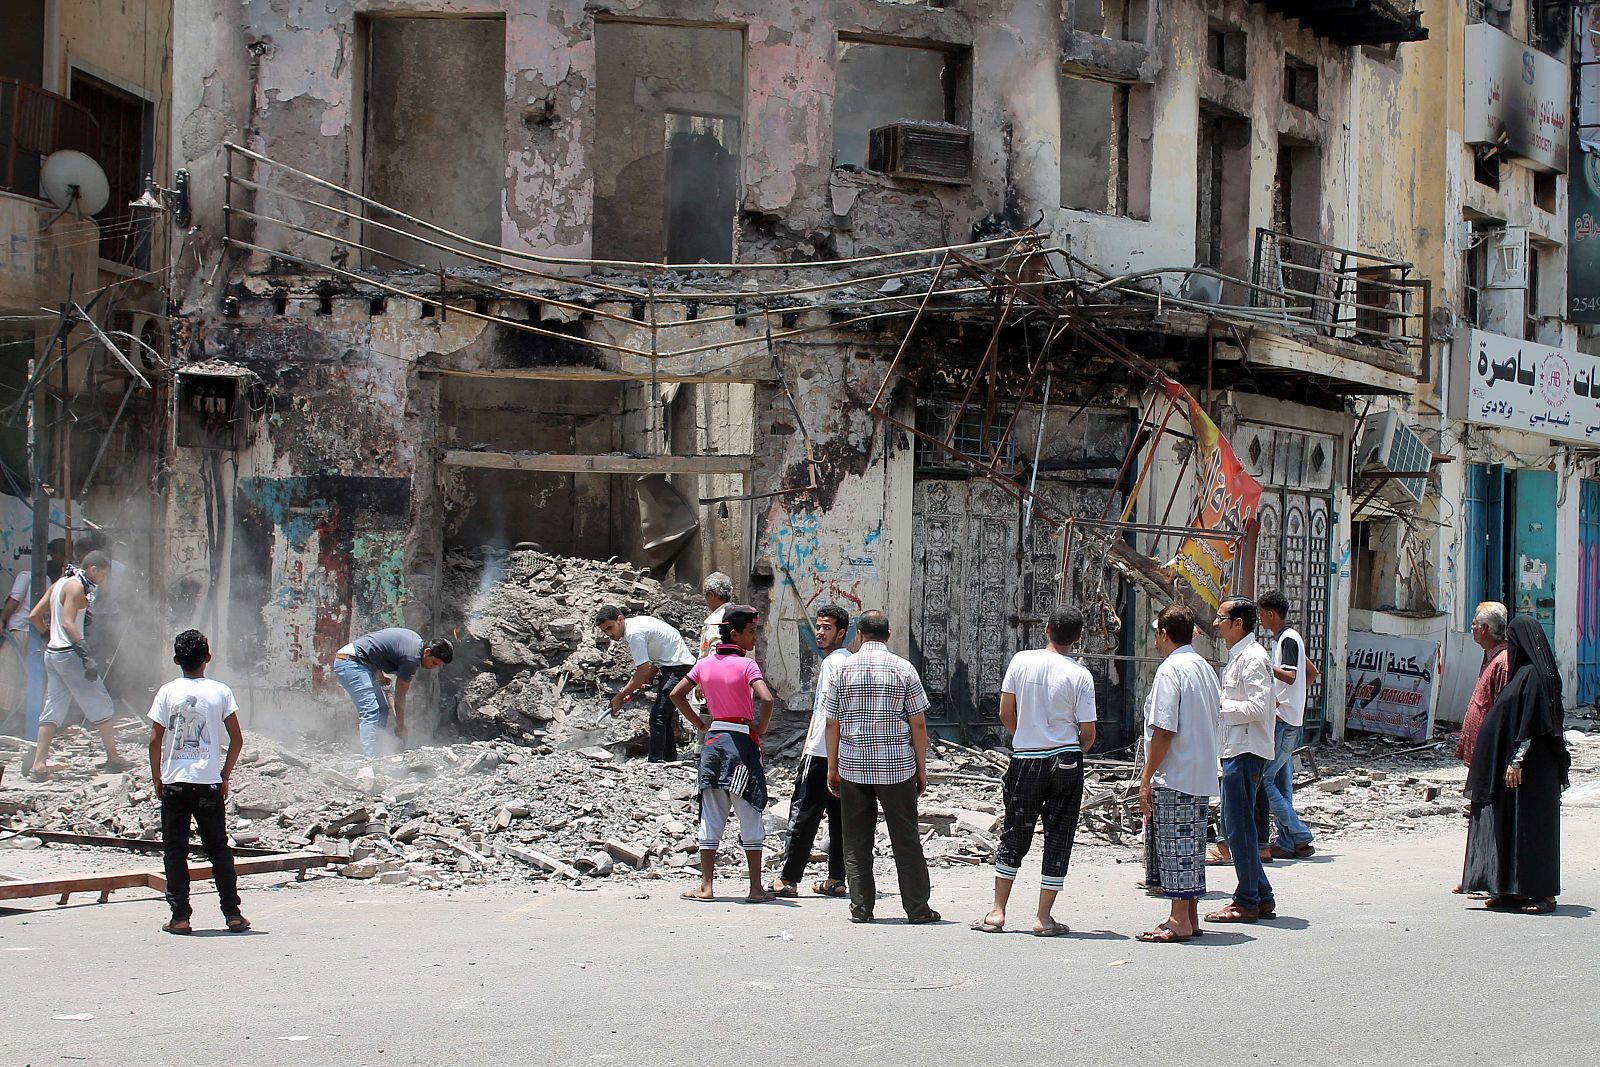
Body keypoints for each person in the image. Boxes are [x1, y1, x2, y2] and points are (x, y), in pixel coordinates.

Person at [971, 606, 1097, 937]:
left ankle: (998, 912)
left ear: (1046, 630)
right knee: (1059, 835)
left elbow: (1005, 712)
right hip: (1066, 759)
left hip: (1026, 758)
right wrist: (1071, 751)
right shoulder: (1080, 675)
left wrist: (1025, 736)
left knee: (1015, 831)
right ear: (1078, 637)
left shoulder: (1021, 662)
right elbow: (1088, 732)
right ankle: (1043, 917)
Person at [825, 609, 940, 926]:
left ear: (858, 634)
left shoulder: (841, 670)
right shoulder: (904, 670)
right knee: (905, 838)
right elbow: (917, 724)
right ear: (888, 635)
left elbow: (832, 723)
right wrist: (921, 767)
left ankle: (861, 908)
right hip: (896, 767)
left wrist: (832, 768)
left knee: (856, 840)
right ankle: (917, 908)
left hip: (853, 764)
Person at [1461, 616, 1571, 914]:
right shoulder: (1523, 673)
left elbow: (1534, 724)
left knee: (1534, 832)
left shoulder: (1536, 677)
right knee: (1512, 826)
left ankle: (1543, 894)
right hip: (1519, 772)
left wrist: (1516, 761)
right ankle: (1511, 890)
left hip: (1533, 771)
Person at [148, 629, 250, 935]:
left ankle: (180, 916)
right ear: (208, 658)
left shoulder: (167, 692)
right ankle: (232, 914)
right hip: (208, 785)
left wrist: (157, 778)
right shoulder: (220, 691)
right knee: (218, 849)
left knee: (175, 850)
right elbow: (237, 738)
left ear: (177, 659)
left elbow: (154, 739)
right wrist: (225, 775)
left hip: (175, 784)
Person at [670, 604, 775, 902]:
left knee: (712, 814)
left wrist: (699, 723)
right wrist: (760, 726)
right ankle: (756, 888)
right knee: (750, 814)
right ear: (734, 633)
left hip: (714, 744)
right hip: (742, 744)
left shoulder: (704, 665)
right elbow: (766, 699)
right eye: (751, 631)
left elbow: (676, 694)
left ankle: (706, 886)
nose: (754, 637)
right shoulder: (747, 666)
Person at [1137, 604, 1222, 943]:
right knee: (1190, 847)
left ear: (1164, 634)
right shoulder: (1202, 667)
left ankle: (1178, 919)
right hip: (1198, 771)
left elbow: (1163, 731)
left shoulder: (1171, 670)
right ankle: (1189, 915)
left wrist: (1146, 777)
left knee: (1175, 847)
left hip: (1175, 772)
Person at [1206, 596, 1279, 924]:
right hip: (1236, 748)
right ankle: (1260, 895)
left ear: (1239, 623)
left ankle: (1246, 900)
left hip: (1246, 750)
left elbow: (1259, 708)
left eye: (1221, 618)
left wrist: (1221, 705)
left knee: (1237, 828)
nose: (1216, 624)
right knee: (1240, 827)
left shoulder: (1252, 657)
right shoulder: (1240, 656)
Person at [771, 604, 851, 899]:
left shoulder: (832, 664)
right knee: (839, 817)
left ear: (841, 633)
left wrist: (816, 749)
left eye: (827, 628)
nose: (820, 632)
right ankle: (836, 878)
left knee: (804, 812)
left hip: (821, 751)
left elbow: (829, 712)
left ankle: (788, 878)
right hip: (845, 752)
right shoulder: (848, 662)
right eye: (818, 627)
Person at [26, 552, 126, 778]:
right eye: (103, 574)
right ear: (92, 569)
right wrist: (85, 655)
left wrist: (47, 637)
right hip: (69, 655)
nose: (104, 579)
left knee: (53, 707)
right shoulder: (76, 587)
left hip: (53, 654)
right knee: (101, 702)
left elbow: (34, 615)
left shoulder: (59, 584)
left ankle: (38, 765)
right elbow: (68, 622)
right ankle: (113, 758)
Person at [595, 605, 697, 762]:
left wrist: (620, 697)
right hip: (671, 665)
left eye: (610, 627)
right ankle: (669, 758)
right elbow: (655, 658)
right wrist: (650, 677)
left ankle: (655, 761)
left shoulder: (634, 633)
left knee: (657, 716)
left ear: (620, 619)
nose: (609, 634)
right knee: (665, 715)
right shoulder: (636, 625)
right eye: (604, 631)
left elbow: (641, 671)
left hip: (678, 666)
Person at [1258, 590, 1318, 859]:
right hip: (1288, 719)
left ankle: (1300, 834)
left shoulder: (1288, 640)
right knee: (1281, 785)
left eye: (1261, 614)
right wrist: (1295, 702)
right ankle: (1288, 841)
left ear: (1271, 614)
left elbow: (1292, 676)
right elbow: (1311, 673)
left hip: (1284, 723)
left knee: (1263, 780)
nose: (1260, 620)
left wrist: (1262, 665)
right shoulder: (1286, 639)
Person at [333, 628, 452, 757]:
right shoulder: (411, 659)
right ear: (427, 652)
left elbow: (376, 648)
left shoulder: (415, 641)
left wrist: (379, 675)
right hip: (350, 663)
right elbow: (400, 696)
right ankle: (370, 758)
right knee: (371, 710)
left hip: (362, 663)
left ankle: (377, 750)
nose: (432, 667)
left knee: (382, 709)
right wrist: (400, 726)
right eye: (433, 663)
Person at [0, 539, 63, 737]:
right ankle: (24, 721)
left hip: (19, 632)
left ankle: (9, 725)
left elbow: (14, 601)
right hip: (37, 633)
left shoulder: (25, 575)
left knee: (8, 676)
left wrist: (2, 619)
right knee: (28, 678)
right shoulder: (47, 581)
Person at [1457, 602, 1510, 767]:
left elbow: (1503, 709)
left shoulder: (1502, 661)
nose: (1472, 628)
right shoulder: (1490, 656)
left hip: (1489, 750)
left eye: (1474, 624)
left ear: (1485, 628)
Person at [697, 572, 735, 659]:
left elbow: (716, 657)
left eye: (706, 596)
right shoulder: (740, 615)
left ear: (711, 595)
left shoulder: (716, 621)